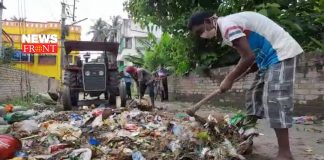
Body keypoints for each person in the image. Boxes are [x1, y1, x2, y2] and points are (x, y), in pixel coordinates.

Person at [187, 11, 303, 160]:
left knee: (275, 101)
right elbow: (251, 53)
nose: (202, 35)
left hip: (281, 53)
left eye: (200, 31)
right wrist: (251, 67)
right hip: (266, 59)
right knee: (254, 94)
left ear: (208, 21)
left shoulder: (227, 26)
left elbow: (247, 56)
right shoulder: (227, 28)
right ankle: (248, 133)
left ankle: (285, 153)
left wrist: (229, 79)